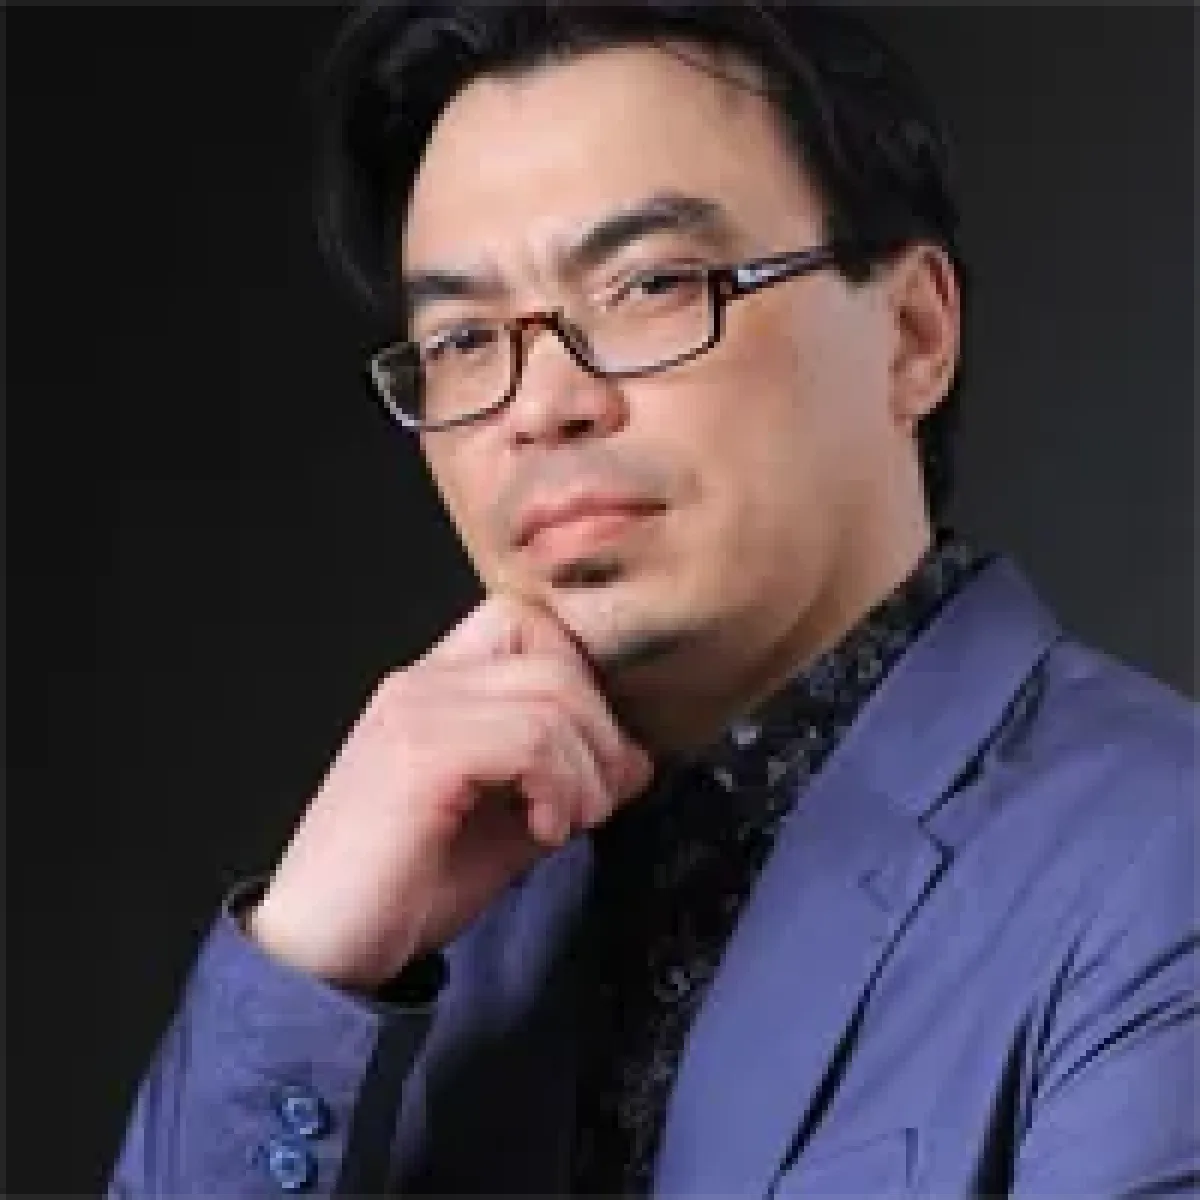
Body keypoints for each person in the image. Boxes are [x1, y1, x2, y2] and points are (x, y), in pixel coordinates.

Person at [109, 0, 1200, 1196]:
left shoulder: (1156, 860)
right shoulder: (410, 916)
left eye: (650, 286)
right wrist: (305, 968)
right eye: (465, 340)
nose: (542, 405)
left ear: (913, 334)